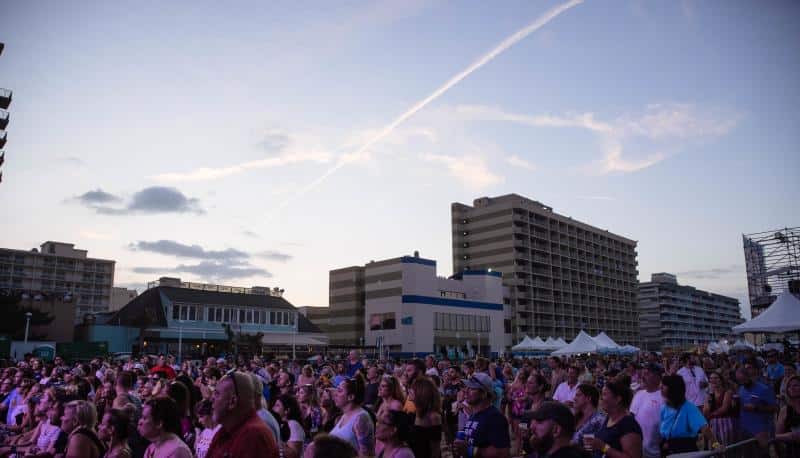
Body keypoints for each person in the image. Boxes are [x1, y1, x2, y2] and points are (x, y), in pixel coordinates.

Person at [207, 370, 280, 458]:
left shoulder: (253, 435)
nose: (211, 399)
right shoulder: (225, 430)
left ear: (232, 402)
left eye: (217, 394)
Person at [453, 372, 511, 458]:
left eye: (472, 388)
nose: (466, 391)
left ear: (484, 393)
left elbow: (503, 453)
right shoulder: (474, 415)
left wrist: (471, 450)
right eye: (467, 387)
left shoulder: (495, 417)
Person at [658, 375, 719, 455]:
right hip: (668, 450)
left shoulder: (689, 408)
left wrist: (716, 445)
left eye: (664, 385)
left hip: (685, 450)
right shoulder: (664, 407)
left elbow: (705, 429)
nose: (660, 387)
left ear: (673, 388)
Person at [583, 379, 642, 458]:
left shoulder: (628, 424)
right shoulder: (608, 418)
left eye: (604, 394)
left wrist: (603, 447)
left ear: (618, 399)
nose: (601, 398)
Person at [736, 364, 777, 453]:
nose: (742, 382)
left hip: (760, 431)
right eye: (739, 381)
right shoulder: (741, 389)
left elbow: (774, 408)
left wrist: (756, 407)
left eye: (743, 379)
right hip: (744, 430)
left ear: (749, 376)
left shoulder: (764, 389)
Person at [330, 374, 375, 456]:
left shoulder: (361, 418)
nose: (335, 394)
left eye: (340, 391)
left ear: (350, 397)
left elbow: (367, 455)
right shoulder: (344, 416)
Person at [629, 363, 664, 458]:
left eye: (647, 374)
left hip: (654, 453)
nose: (643, 376)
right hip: (636, 450)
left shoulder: (664, 397)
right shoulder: (638, 394)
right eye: (643, 373)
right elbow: (631, 417)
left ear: (657, 377)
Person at [408, 376, 442, 458]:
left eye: (412, 388)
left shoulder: (433, 417)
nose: (409, 390)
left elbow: (435, 450)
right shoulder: (413, 413)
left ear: (421, 392)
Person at [702, 370, 737, 447]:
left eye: (715, 378)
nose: (713, 380)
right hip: (713, 424)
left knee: (727, 447)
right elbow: (705, 411)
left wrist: (710, 415)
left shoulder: (727, 392)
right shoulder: (710, 395)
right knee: (715, 447)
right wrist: (708, 400)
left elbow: (724, 409)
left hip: (726, 423)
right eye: (711, 378)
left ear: (721, 380)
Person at [775, 374, 800, 456]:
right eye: (789, 386)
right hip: (792, 452)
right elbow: (777, 434)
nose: (791, 388)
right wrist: (790, 436)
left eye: (796, 385)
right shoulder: (785, 410)